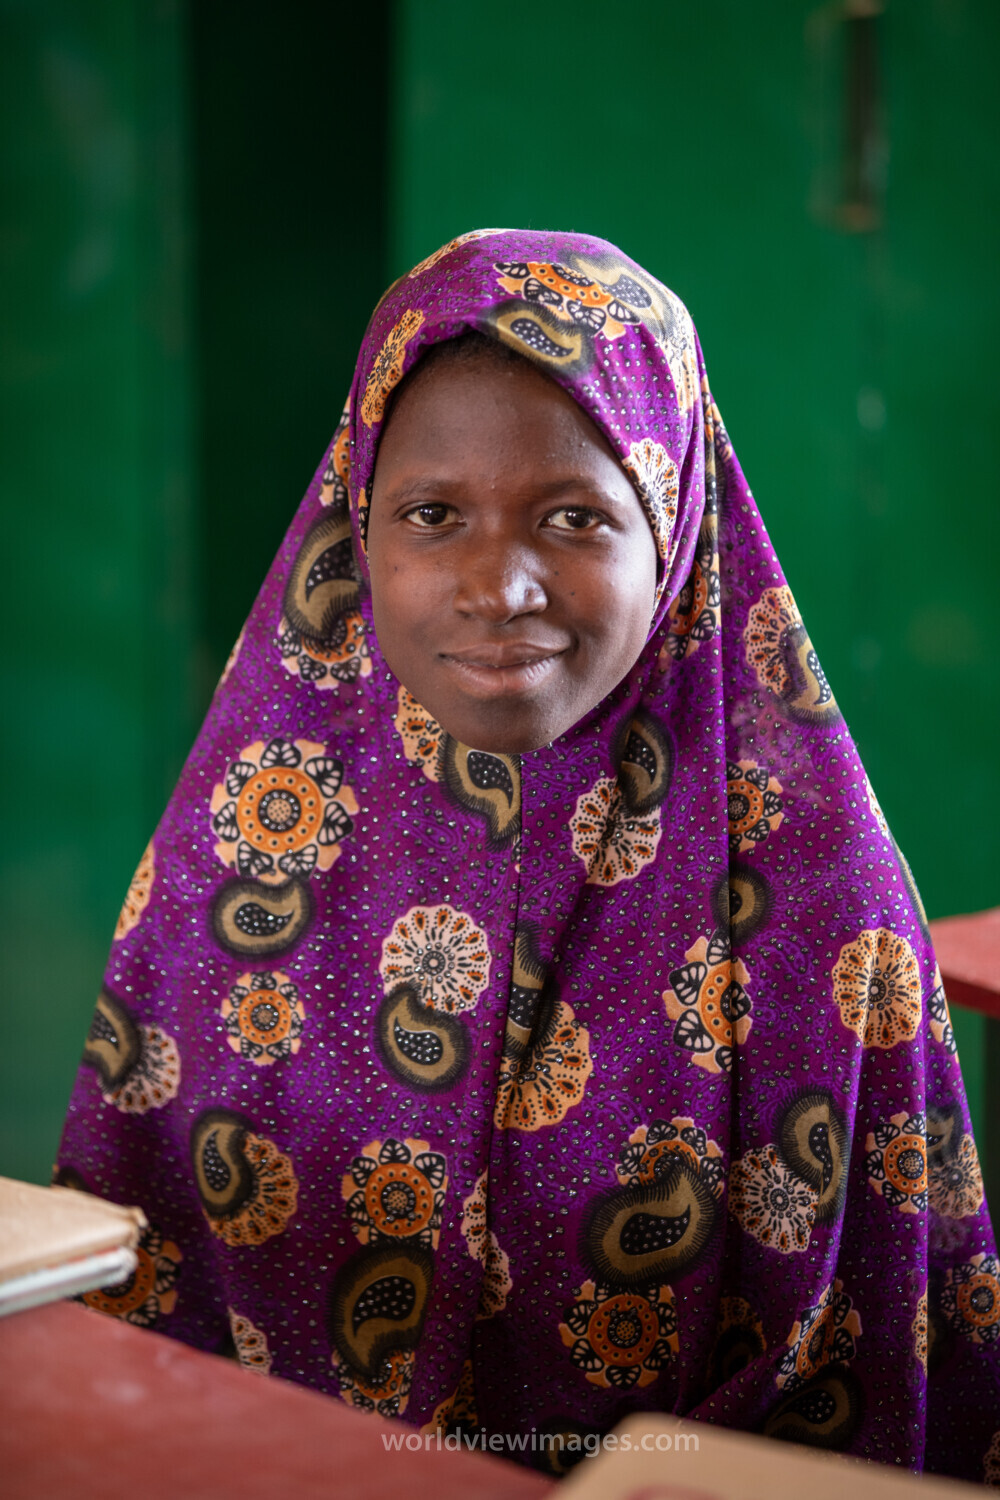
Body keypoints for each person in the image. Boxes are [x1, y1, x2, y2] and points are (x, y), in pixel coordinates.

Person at [57, 229, 1000, 1479]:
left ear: (672, 533)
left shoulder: (823, 914)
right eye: (431, 515)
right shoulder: (243, 852)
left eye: (572, 516)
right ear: (356, 529)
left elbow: (883, 1373)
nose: (495, 584)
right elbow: (137, 1301)